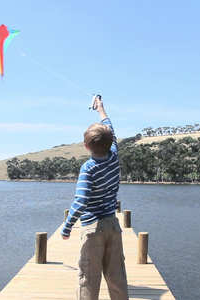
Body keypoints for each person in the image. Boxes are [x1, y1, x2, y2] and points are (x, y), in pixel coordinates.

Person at [61, 97, 129, 300]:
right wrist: (101, 109)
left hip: (93, 229)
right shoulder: (114, 155)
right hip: (113, 226)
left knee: (88, 279)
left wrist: (66, 227)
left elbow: (81, 202)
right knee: (117, 276)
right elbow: (111, 130)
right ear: (110, 143)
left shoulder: (88, 168)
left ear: (86, 146)